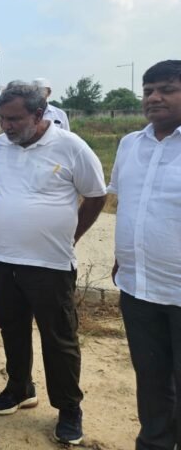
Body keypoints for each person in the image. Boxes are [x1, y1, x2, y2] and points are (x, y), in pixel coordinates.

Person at [0, 83, 107, 445]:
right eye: (2, 118)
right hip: (3, 258)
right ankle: (20, 387)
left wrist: (73, 235)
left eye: (15, 119)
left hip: (50, 264)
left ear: (39, 115)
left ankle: (69, 407)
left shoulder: (72, 146)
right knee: (11, 326)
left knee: (59, 338)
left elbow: (97, 196)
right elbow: (3, 189)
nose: (6, 126)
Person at [108, 60, 181, 450]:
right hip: (138, 288)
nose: (154, 98)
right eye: (148, 90)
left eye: (167, 89)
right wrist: (124, 255)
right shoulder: (129, 145)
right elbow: (128, 204)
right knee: (151, 381)